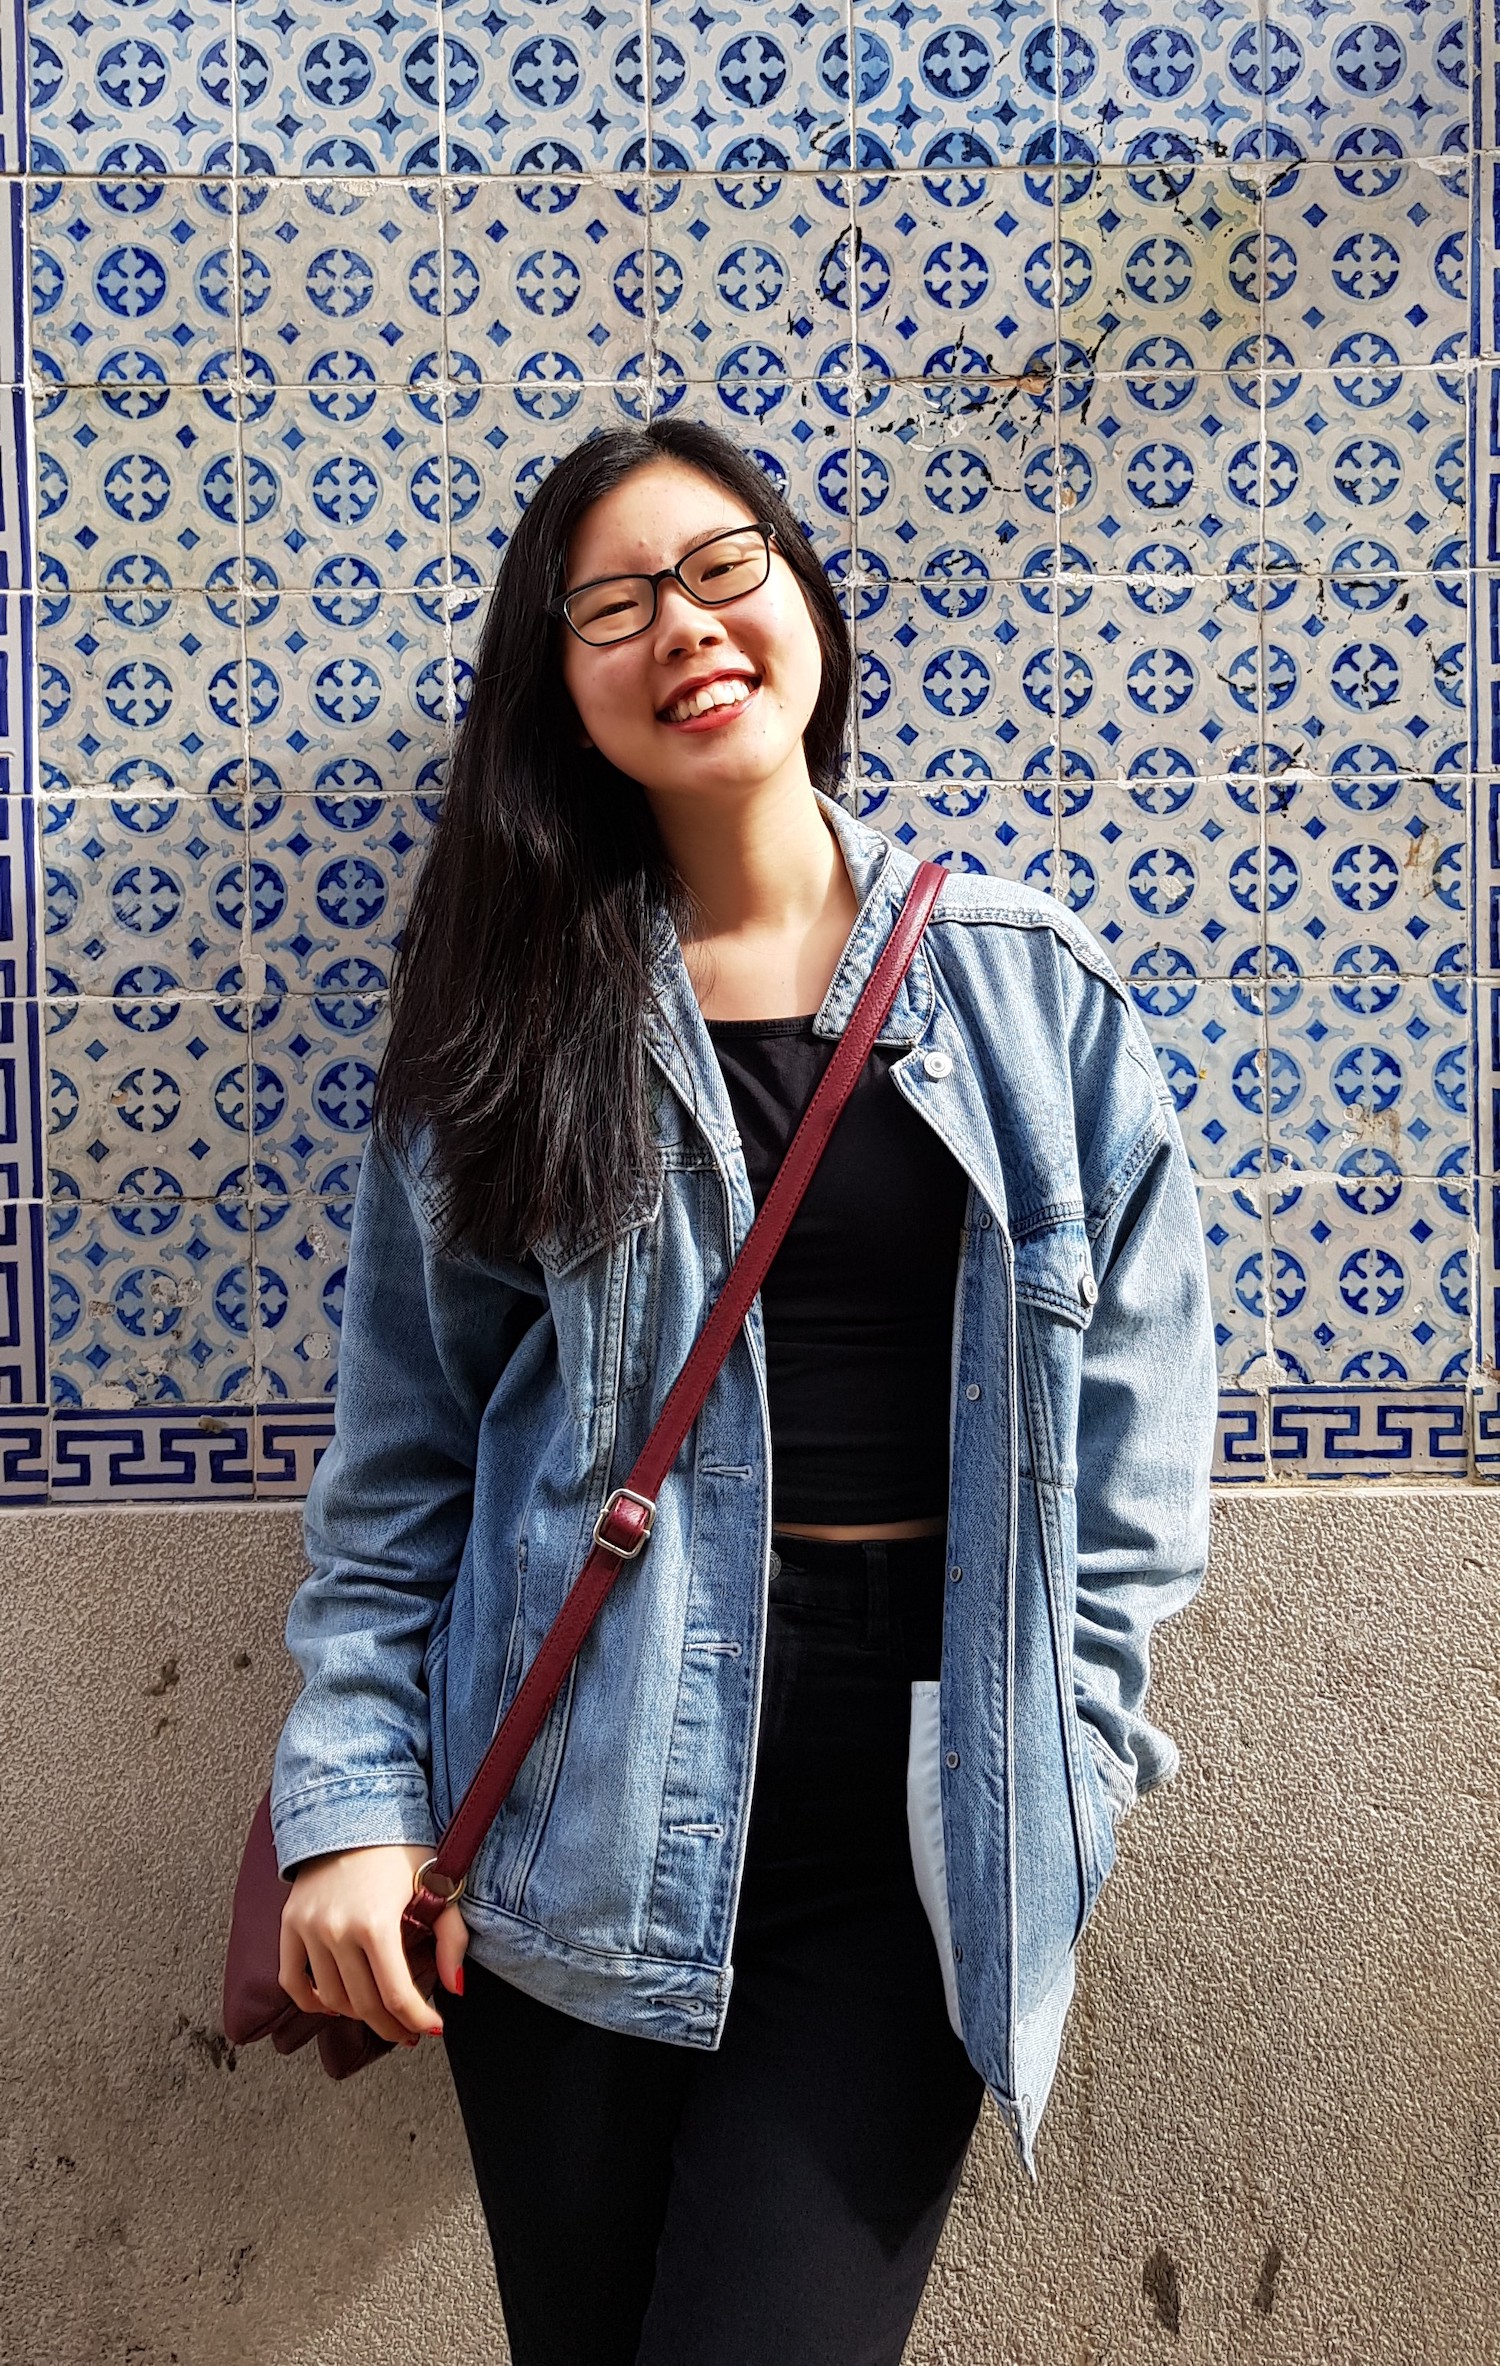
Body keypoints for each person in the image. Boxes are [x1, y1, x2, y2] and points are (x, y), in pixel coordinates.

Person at [270, 417, 1217, 2365]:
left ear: (803, 604)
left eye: (723, 568)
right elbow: (402, 1481)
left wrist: (1079, 1754)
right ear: (560, 687)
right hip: (572, 1799)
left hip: (913, 1813)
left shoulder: (1034, 992)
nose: (682, 625)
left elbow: (1137, 1451)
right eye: (609, 604)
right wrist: (353, 1808)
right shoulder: (507, 1024)